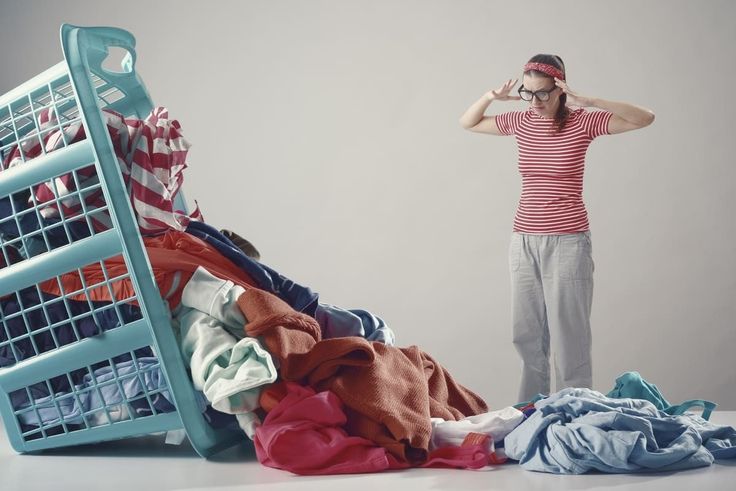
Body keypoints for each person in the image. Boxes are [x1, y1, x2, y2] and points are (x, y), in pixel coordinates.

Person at [459, 54, 655, 402]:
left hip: (568, 242)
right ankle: (530, 411)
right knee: (526, 334)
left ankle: (573, 410)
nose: (535, 101)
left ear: (560, 89)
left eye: (542, 93)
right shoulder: (521, 120)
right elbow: (468, 122)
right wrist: (491, 96)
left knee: (569, 336)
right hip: (523, 241)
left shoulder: (582, 122)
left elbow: (645, 118)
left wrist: (590, 101)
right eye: (528, 93)